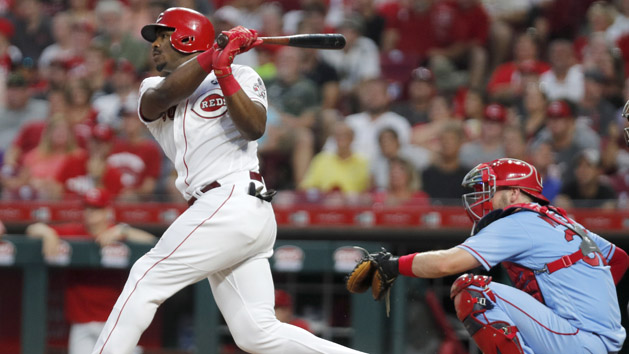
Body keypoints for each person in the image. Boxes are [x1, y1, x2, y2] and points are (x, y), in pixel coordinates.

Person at [92, 8, 367, 354]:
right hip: (221, 208)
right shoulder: (154, 85)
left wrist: (223, 70)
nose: (155, 45)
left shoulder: (242, 74)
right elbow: (159, 100)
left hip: (235, 198)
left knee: (145, 277)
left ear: (186, 37)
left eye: (163, 36)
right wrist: (213, 57)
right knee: (257, 334)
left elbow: (254, 127)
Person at [355, 158, 628, 353]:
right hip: (586, 338)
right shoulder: (562, 221)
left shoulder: (520, 221)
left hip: (579, 340)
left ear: (513, 193)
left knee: (471, 289)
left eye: (489, 191)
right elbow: (618, 259)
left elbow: (446, 263)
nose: (480, 201)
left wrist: (392, 264)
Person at [25, 188, 157, 354]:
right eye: (87, 208)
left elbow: (154, 243)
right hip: (82, 323)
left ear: (107, 211)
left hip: (117, 322)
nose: (90, 213)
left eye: (96, 209)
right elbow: (33, 228)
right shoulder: (74, 231)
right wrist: (48, 233)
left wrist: (123, 231)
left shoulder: (117, 231)